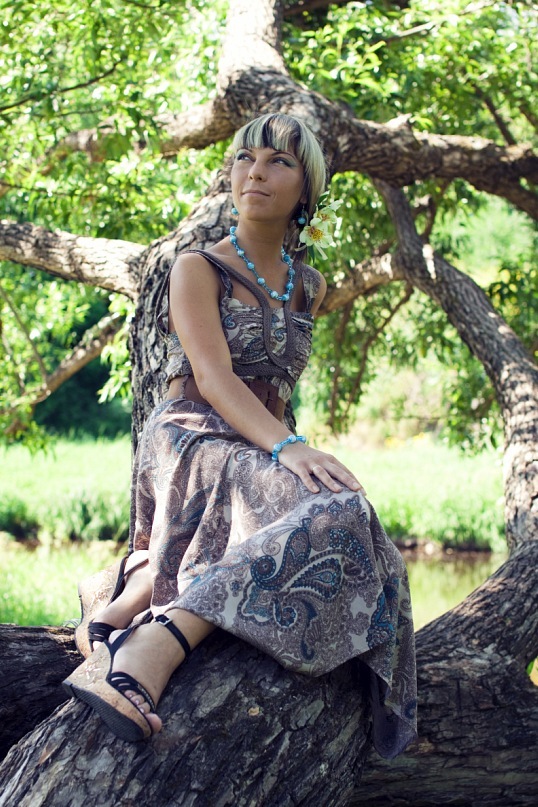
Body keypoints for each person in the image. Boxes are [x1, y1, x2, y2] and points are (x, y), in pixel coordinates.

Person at [63, 113, 417, 759]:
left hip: (258, 444)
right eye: (245, 158)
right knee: (339, 512)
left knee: (356, 520)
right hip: (191, 437)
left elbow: (276, 391)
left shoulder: (308, 285)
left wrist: (290, 454)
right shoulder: (198, 267)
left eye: (279, 161)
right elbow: (213, 377)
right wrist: (289, 449)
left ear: (307, 188)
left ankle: (130, 592)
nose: (256, 172)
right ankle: (153, 642)